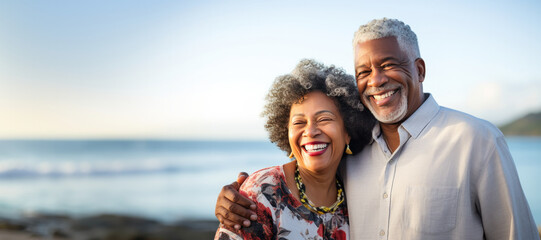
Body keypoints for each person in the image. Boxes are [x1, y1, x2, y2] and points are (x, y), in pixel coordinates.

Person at [215, 18, 539, 239]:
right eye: (364, 71)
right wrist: (237, 194)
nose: (376, 80)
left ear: (420, 69)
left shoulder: (476, 140)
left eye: (388, 64)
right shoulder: (352, 157)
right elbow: (303, 182)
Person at [214, 59, 374, 239]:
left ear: (348, 131)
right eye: (299, 122)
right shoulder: (262, 193)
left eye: (324, 119)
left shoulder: (355, 192)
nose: (311, 131)